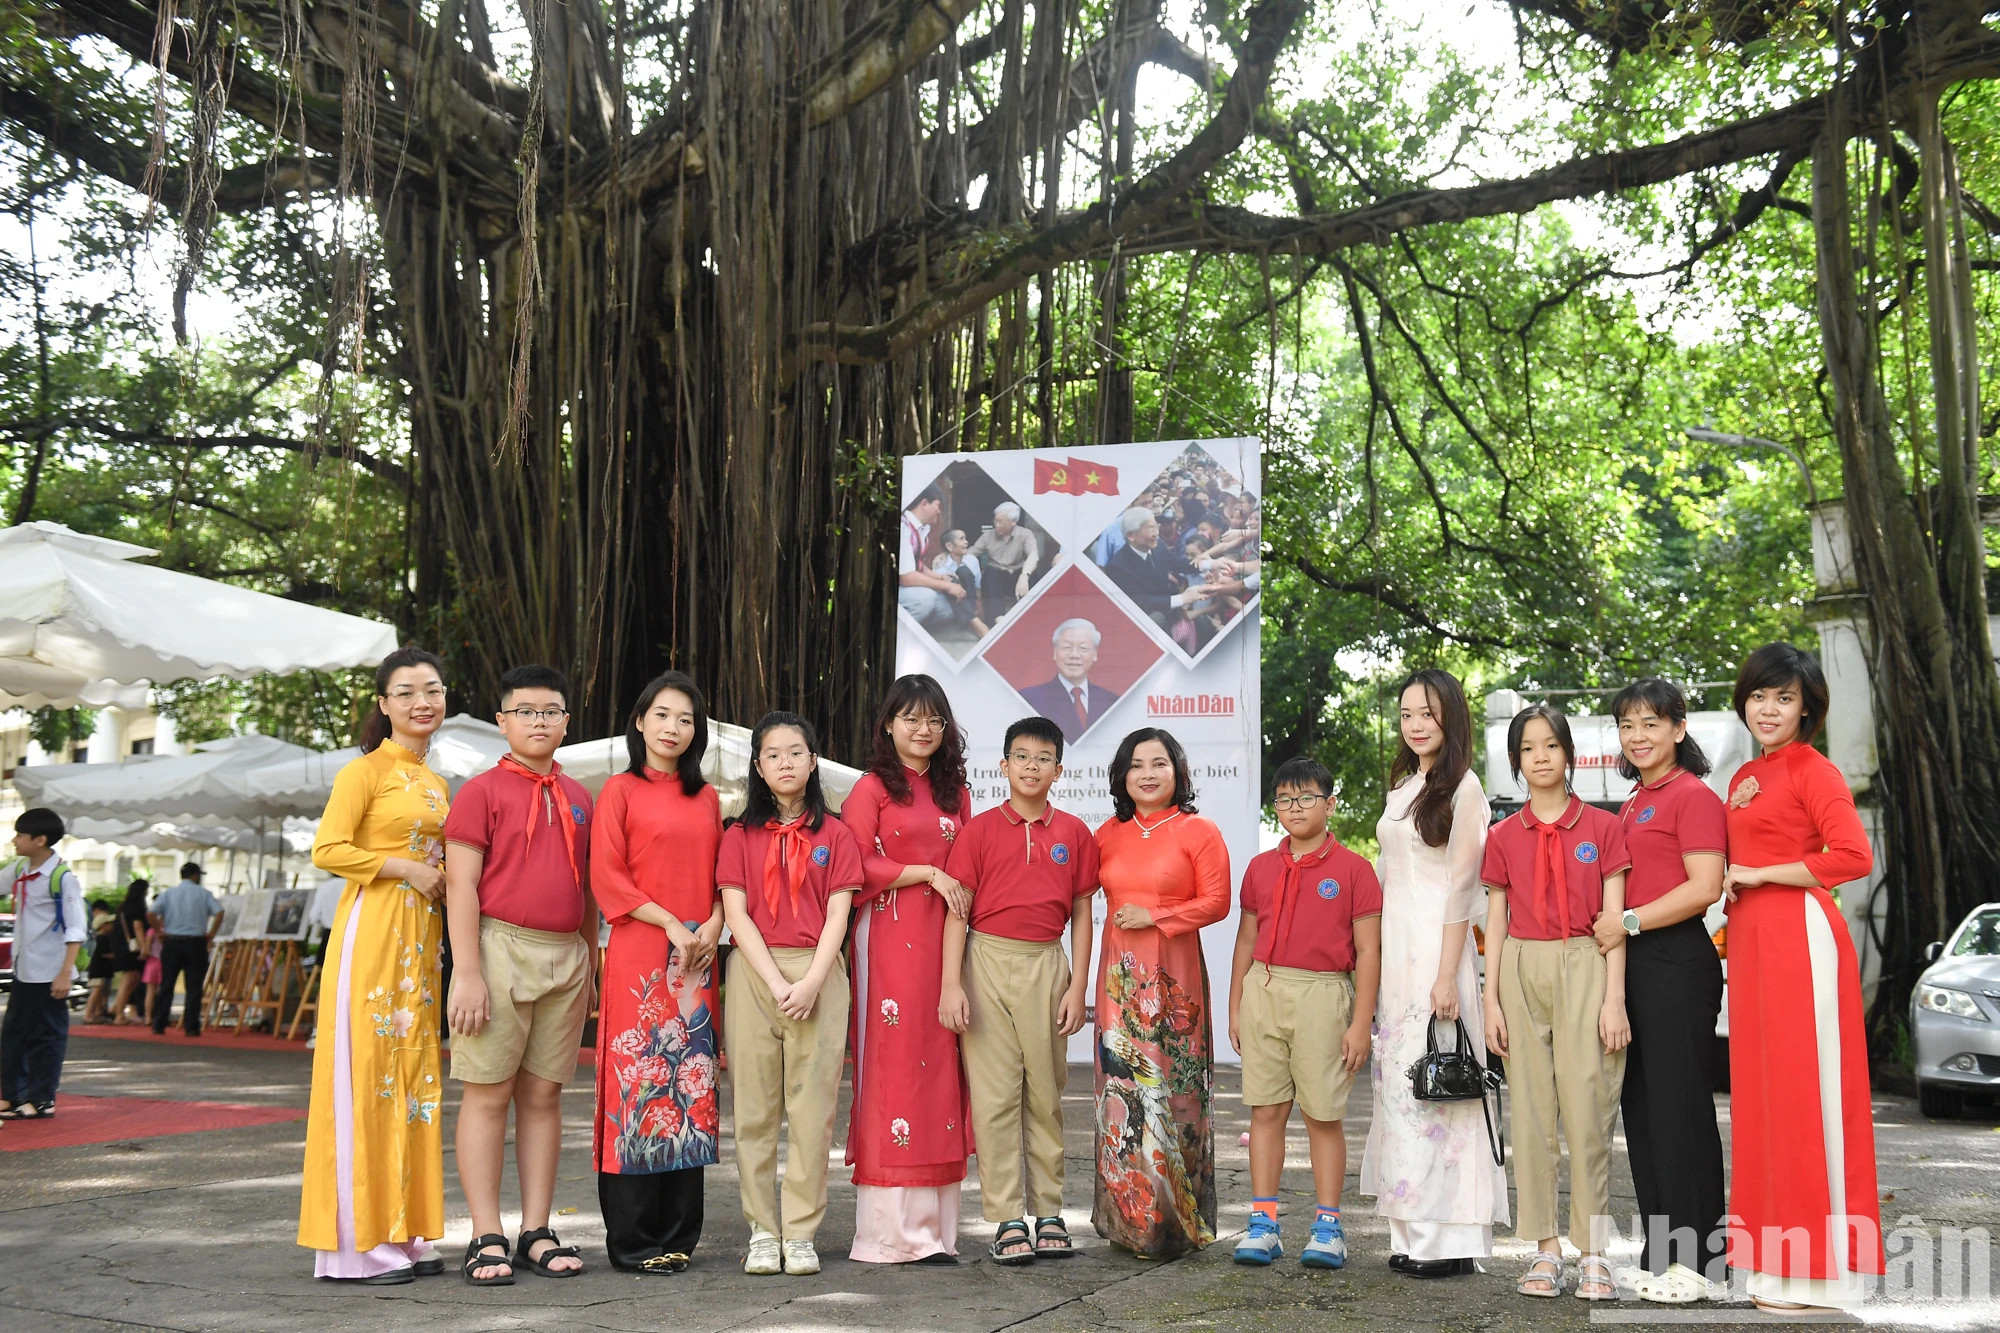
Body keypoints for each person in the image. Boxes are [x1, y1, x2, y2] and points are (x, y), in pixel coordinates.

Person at [1721, 643, 1880, 1314]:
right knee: (1760, 1100)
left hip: (1801, 941)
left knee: (1806, 1097)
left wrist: (1760, 873)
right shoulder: (1743, 776)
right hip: (1754, 948)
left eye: (1784, 698)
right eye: (1760, 695)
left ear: (1807, 709)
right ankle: (1776, 1266)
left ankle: (1823, 1274)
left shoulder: (1816, 770)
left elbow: (1852, 854)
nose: (1769, 707)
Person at [298, 646, 452, 1284]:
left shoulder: (436, 782)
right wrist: (409, 869)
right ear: (385, 704)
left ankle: (405, 1232)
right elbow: (327, 848)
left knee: (412, 1085)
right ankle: (358, 1247)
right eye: (408, 691)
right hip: (373, 934)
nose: (424, 701)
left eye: (434, 690)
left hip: (421, 943)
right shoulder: (364, 772)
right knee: (367, 1079)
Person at [442, 665, 596, 1285]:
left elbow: (588, 893)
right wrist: (467, 973)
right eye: (525, 710)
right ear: (502, 721)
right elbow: (461, 886)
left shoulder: (583, 797)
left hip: (566, 953)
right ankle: (485, 1231)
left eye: (550, 710)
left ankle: (536, 1227)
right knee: (487, 1093)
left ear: (566, 721)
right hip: (499, 947)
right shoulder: (479, 792)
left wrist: (590, 963)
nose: (539, 720)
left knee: (544, 1095)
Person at [1360, 668, 1508, 1277]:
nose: (1416, 725)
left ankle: (1449, 1242)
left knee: (1447, 1087)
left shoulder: (1465, 788)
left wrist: (1449, 976)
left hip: (1435, 950)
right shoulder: (1404, 784)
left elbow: (1461, 890)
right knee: (1402, 1087)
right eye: (1406, 715)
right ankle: (1411, 1232)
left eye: (1427, 713)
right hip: (1396, 953)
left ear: (1451, 716)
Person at [1480, 705, 1631, 1301]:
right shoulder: (1501, 836)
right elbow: (1495, 920)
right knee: (1534, 1114)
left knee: (1589, 1109)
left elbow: (1614, 920)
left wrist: (1614, 998)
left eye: (1550, 745)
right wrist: (1490, 1001)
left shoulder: (1603, 827)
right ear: (1516, 761)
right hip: (1520, 964)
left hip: (1586, 962)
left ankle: (1594, 1251)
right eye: (1527, 748)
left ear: (1568, 753)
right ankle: (1544, 1250)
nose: (1540, 756)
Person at [938, 715, 1097, 1264]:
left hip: (1045, 964)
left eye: (1044, 758)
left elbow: (1082, 910)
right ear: (1003, 766)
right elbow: (956, 914)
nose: (1032, 767)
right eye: (1022, 757)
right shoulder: (977, 831)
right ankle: (1007, 1216)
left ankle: (1049, 1209)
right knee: (995, 1094)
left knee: (1047, 1091)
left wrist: (1078, 984)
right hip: (984, 962)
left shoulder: (1074, 832)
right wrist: (949, 985)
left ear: (1059, 769)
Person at [1593, 677, 1728, 1304]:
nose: (1637, 735)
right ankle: (1661, 1252)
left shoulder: (1693, 796)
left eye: (1651, 723)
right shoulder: (1633, 800)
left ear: (1678, 728)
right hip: (1635, 964)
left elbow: (1705, 887)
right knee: (1642, 1111)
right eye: (1626, 724)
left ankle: (1699, 1263)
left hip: (1676, 962)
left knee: (1680, 1111)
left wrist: (1629, 921)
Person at [718, 712, 861, 1277]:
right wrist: (779, 984)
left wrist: (810, 982)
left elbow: (839, 915)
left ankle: (800, 1232)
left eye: (795, 752)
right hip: (756, 974)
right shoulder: (738, 834)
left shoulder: (838, 834)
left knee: (812, 1112)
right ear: (758, 765)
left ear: (813, 761)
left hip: (820, 974)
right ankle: (761, 1229)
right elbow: (736, 913)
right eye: (773, 754)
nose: (785, 762)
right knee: (753, 1111)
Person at [591, 671, 724, 1275]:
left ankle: (678, 1234)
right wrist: (672, 923)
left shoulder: (709, 798)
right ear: (640, 721)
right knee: (637, 1083)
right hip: (642, 954)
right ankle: (634, 1240)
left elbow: (726, 875)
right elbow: (608, 877)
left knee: (689, 1083)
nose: (674, 728)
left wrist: (714, 924)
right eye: (663, 715)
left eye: (687, 719)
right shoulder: (619, 790)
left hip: (698, 957)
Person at [841, 675, 974, 1264]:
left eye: (934, 721)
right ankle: (890, 1234)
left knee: (942, 1065)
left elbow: (972, 861)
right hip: (888, 939)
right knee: (893, 1065)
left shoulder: (956, 792)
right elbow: (853, 862)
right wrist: (926, 873)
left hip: (947, 939)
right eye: (911, 719)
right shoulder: (870, 788)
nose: (922, 731)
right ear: (888, 725)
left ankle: (937, 1231)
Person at [1228, 757, 1381, 1270]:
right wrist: (1237, 1003)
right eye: (1286, 800)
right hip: (1264, 988)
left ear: (1330, 804)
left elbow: (1369, 953)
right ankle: (1264, 1223)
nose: (1295, 808)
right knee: (1266, 1110)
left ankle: (1328, 1226)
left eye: (1307, 798)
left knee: (1323, 1113)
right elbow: (1246, 938)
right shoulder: (1261, 867)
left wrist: (1361, 1023)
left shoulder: (1356, 871)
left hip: (1324, 994)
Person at [1092, 727, 1230, 1258]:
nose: (1147, 774)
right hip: (1119, 984)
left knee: (1177, 1093)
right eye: (1136, 765)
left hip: (1176, 985)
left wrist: (1158, 915)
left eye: (1159, 764)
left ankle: (1177, 1222)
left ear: (1178, 771)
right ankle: (1132, 1221)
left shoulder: (1199, 831)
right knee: (1122, 1094)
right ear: (1122, 775)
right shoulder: (1107, 833)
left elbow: (1217, 902)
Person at [0, 808, 86, 1120]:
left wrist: (65, 974)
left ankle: (41, 1100)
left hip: (51, 973)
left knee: (47, 1037)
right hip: (25, 969)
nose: (14, 840)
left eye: (20, 835)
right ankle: (12, 1097)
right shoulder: (21, 868)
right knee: (13, 1034)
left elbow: (76, 929)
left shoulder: (63, 878)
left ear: (41, 840)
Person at [1016, 619, 1121, 743]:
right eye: (1066, 647)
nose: (1074, 655)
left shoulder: (1112, 702)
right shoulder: (1029, 699)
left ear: (1095, 654)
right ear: (1055, 652)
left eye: (1083, 648)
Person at [149, 862, 221, 1036]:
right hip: (195, 943)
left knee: (167, 983)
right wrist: (211, 932)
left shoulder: (168, 893)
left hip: (172, 941)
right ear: (195, 875)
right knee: (194, 986)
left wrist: (159, 931)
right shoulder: (204, 894)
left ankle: (159, 1023)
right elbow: (219, 911)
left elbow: (151, 913)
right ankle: (191, 1026)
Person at [1102, 509, 1201, 631]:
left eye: (1156, 527)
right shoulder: (1118, 567)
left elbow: (1177, 563)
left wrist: (1208, 564)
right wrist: (1182, 598)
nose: (1156, 533)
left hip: (1172, 610)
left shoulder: (1159, 545)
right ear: (1131, 535)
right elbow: (1140, 601)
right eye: (1149, 529)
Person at [898, 486, 965, 628]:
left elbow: (919, 566)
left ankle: (916, 626)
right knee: (926, 599)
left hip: (907, 588)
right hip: (896, 589)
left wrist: (939, 577)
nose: (939, 511)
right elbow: (907, 577)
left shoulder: (923, 531)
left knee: (946, 610)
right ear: (924, 504)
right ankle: (898, 632)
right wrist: (947, 586)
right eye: (938, 506)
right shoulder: (903, 528)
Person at [967, 502, 1042, 623]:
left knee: (1034, 575)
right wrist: (948, 555)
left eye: (1001, 521)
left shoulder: (1025, 534)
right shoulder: (988, 535)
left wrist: (1024, 576)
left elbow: (1033, 556)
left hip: (1018, 576)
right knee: (989, 574)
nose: (997, 525)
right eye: (996, 521)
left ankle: (1030, 616)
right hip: (997, 577)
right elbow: (971, 553)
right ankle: (997, 618)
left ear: (1013, 522)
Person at [932, 532, 991, 637]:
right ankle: (974, 622)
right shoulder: (940, 564)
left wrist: (980, 610)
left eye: (965, 538)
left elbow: (977, 587)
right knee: (950, 580)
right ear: (949, 546)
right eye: (962, 539)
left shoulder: (972, 560)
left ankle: (973, 619)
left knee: (964, 571)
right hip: (952, 606)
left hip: (972, 604)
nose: (966, 542)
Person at [112, 879, 151, 1024]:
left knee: (132, 979)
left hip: (121, 946)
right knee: (129, 979)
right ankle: (119, 1014)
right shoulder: (137, 908)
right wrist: (145, 947)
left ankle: (117, 1009)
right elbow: (138, 927)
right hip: (131, 948)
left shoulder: (123, 907)